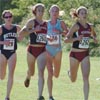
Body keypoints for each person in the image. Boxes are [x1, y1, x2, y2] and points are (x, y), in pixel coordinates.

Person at [64, 6, 98, 100]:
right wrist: (76, 39)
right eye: (82, 13)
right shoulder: (76, 26)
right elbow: (66, 40)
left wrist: (94, 38)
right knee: (73, 79)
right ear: (78, 15)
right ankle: (70, 73)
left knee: (86, 78)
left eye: (85, 13)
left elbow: (93, 34)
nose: (84, 14)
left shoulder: (90, 26)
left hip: (85, 54)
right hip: (74, 55)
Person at [18, 3, 47, 100]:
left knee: (41, 72)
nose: (40, 12)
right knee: (32, 71)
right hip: (31, 49)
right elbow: (22, 32)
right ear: (35, 11)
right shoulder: (31, 22)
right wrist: (34, 29)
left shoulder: (46, 24)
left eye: (42, 10)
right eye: (39, 10)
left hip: (42, 49)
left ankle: (39, 96)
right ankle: (28, 76)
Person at [46, 5, 68, 100]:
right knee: (50, 73)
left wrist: (60, 32)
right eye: (53, 11)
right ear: (49, 12)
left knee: (56, 74)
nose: (54, 13)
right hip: (48, 49)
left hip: (58, 50)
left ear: (58, 13)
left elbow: (67, 33)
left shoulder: (61, 23)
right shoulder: (46, 23)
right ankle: (50, 96)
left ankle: (56, 70)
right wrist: (48, 37)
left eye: (56, 11)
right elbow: (43, 35)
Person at [0, 10, 21, 100]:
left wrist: (20, 37)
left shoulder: (16, 28)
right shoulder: (1, 28)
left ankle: (7, 97)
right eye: (6, 17)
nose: (8, 18)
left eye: (10, 16)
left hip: (12, 53)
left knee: (11, 74)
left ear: (12, 17)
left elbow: (22, 36)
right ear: (3, 18)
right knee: (2, 76)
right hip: (2, 53)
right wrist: (3, 42)